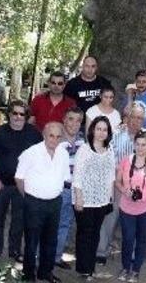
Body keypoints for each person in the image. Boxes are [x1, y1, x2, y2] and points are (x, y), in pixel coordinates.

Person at [15, 122, 69, 282]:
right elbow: (19, 177)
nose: (54, 139)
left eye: (58, 136)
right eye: (51, 135)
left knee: (51, 241)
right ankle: (28, 275)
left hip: (54, 203)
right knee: (32, 242)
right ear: (44, 135)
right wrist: (29, 198)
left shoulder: (63, 153)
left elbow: (65, 177)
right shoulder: (31, 153)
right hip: (34, 203)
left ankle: (45, 272)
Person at [0, 101, 42, 263]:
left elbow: (39, 159)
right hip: (1, 184)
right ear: (9, 114)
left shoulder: (34, 134)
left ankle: (14, 251)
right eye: (15, 113)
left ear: (26, 116)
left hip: (22, 186)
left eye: (22, 114)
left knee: (18, 221)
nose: (18, 117)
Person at [96, 103, 146, 265]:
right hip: (115, 182)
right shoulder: (116, 134)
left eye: (140, 118)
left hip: (137, 185)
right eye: (133, 117)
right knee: (110, 216)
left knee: (134, 220)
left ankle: (131, 254)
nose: (136, 121)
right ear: (127, 117)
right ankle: (101, 251)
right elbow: (106, 157)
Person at [116, 131, 146, 282]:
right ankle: (125, 268)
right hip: (126, 208)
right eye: (137, 144)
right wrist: (125, 190)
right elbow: (117, 181)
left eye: (143, 144)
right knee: (128, 239)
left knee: (142, 239)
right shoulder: (126, 161)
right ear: (134, 144)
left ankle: (136, 270)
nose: (140, 147)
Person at [73, 116, 116, 280]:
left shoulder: (110, 149)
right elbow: (77, 175)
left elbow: (111, 174)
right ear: (92, 130)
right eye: (98, 129)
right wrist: (78, 198)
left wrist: (110, 198)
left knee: (95, 234)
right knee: (85, 234)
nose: (101, 132)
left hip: (102, 200)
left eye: (105, 129)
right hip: (85, 198)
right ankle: (84, 270)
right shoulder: (85, 149)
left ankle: (90, 267)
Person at [55, 108, 87, 269]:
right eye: (71, 119)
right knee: (54, 224)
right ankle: (43, 257)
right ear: (64, 120)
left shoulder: (83, 142)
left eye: (78, 120)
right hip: (60, 189)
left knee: (65, 224)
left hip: (76, 190)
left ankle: (56, 256)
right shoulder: (56, 140)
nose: (74, 123)